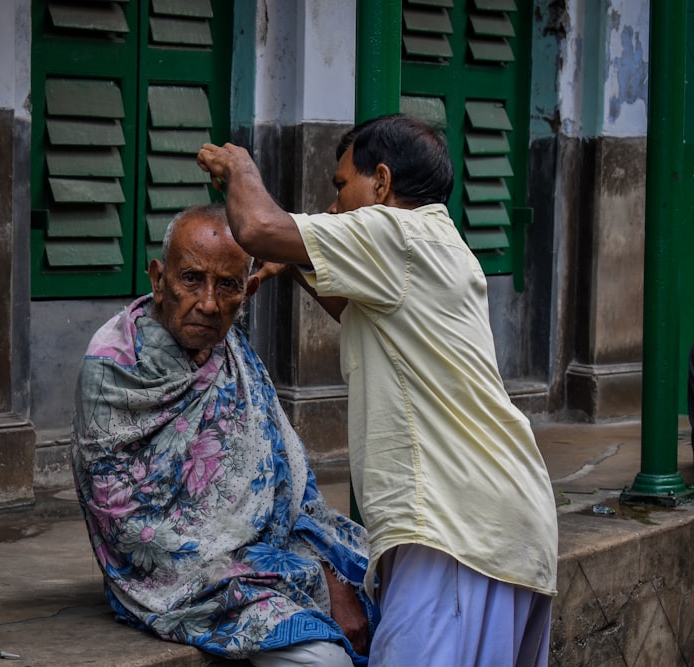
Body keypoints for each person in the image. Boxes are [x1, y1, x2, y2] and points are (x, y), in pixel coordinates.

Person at [196, 114, 559, 666]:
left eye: (342, 187)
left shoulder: (398, 233)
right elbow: (360, 314)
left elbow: (256, 226)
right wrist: (297, 265)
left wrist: (241, 168)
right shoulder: (438, 244)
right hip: (496, 525)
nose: (335, 206)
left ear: (383, 183)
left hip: (454, 531)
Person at [70, 204, 380, 666]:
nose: (210, 303)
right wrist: (303, 575)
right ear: (158, 279)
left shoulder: (232, 353)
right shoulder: (115, 369)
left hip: (267, 556)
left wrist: (326, 569)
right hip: (181, 579)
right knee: (323, 660)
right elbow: (133, 531)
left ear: (246, 292)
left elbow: (288, 482)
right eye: (191, 279)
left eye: (228, 285)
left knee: (399, 584)